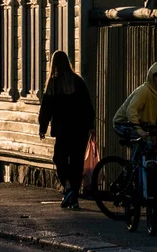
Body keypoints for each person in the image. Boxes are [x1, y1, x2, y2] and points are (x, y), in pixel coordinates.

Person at [39, 50, 95, 210]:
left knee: (60, 159)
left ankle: (68, 187)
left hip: (63, 131)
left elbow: (46, 109)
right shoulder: (78, 81)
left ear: (54, 65)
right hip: (80, 129)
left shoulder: (53, 84)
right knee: (77, 163)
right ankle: (74, 197)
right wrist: (91, 126)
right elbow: (87, 105)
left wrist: (43, 127)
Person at [113, 61, 157, 139]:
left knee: (150, 143)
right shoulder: (144, 91)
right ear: (152, 78)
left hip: (140, 124)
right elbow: (131, 110)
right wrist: (139, 130)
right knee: (143, 142)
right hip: (123, 123)